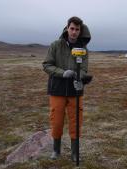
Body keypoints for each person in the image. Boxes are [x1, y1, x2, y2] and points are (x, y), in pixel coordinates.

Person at [42, 16, 91, 161]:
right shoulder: (56, 45)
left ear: (80, 31)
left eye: (77, 29)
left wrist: (79, 77)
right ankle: (56, 151)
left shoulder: (84, 50)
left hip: (75, 92)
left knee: (76, 122)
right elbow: (47, 65)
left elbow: (84, 69)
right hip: (57, 90)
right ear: (67, 28)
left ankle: (75, 153)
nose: (74, 32)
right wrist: (63, 73)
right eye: (72, 28)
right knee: (56, 121)